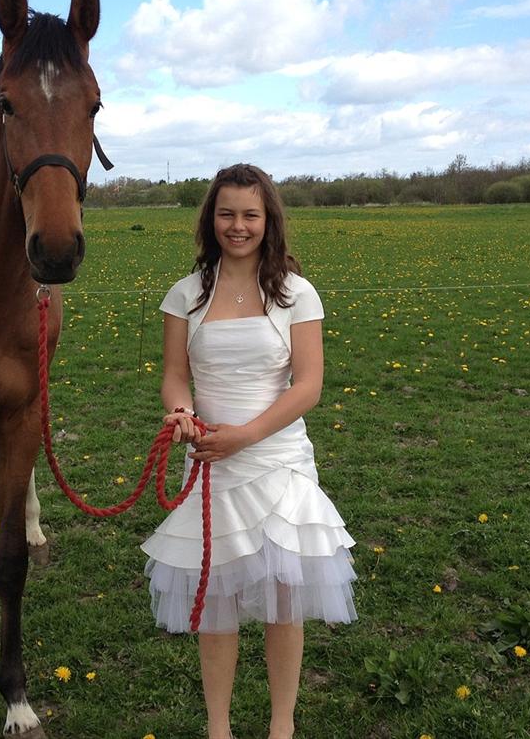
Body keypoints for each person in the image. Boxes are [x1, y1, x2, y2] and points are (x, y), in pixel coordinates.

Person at [141, 164, 357, 739]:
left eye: (250, 215)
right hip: (210, 461)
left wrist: (247, 435)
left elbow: (308, 385)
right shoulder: (185, 294)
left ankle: (281, 727)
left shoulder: (295, 293)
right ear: (211, 219)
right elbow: (174, 375)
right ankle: (220, 728)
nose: (238, 226)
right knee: (217, 599)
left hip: (277, 460)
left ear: (269, 220)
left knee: (284, 601)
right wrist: (183, 413)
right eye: (227, 213)